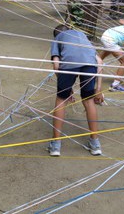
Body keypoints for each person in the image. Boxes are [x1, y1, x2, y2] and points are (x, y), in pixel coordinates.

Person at [48, 24, 104, 157]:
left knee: (61, 100)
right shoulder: (82, 36)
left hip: (69, 66)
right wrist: (98, 89)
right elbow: (100, 62)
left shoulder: (57, 39)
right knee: (89, 101)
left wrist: (66, 87)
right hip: (90, 66)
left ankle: (56, 145)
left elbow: (56, 64)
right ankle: (95, 143)